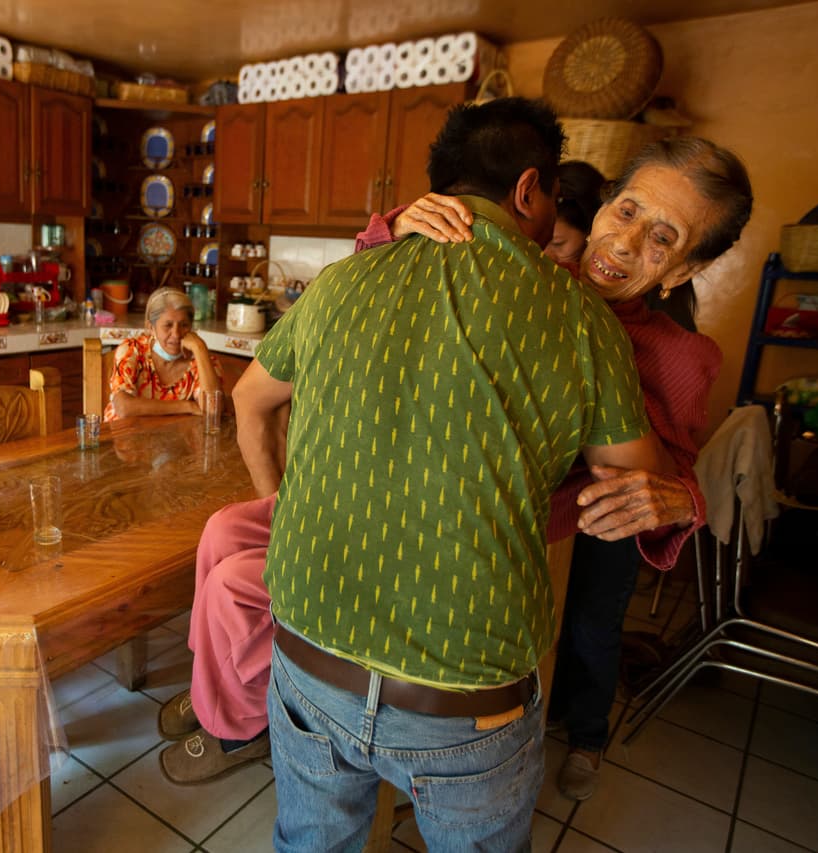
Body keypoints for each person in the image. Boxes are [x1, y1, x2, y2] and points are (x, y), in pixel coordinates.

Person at [162, 132, 753, 827]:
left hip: (488, 534)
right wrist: (397, 226)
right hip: (398, 491)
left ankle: (575, 734)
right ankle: (229, 685)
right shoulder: (525, 278)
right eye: (625, 211)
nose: (625, 244)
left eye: (662, 238)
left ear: (685, 270)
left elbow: (676, 468)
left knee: (587, 621)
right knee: (228, 527)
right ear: (593, 208)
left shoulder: (669, 353)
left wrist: (679, 494)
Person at [238, 97, 677, 852]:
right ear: (528, 189)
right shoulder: (578, 317)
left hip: (308, 652)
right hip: (464, 695)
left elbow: (250, 402)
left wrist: (285, 508)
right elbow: (638, 485)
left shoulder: (343, 283)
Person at [103, 286, 223, 421]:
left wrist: (200, 348)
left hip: (173, 439)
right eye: (168, 325)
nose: (176, 334)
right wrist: (186, 406)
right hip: (124, 436)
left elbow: (213, 410)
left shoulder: (202, 359)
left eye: (184, 325)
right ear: (150, 327)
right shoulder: (132, 350)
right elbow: (124, 407)